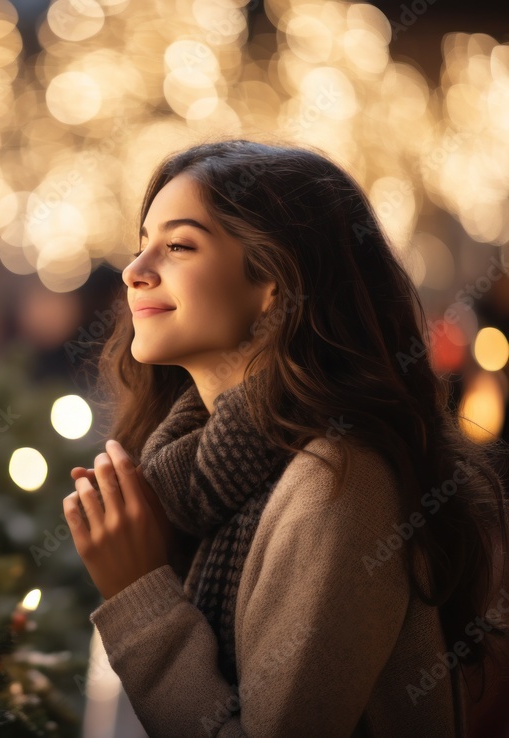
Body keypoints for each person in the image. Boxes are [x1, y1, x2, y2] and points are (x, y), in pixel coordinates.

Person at [63, 139, 509, 737]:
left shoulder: (340, 483)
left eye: (177, 245)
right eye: (142, 243)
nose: (134, 271)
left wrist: (139, 594)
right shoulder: (189, 479)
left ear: (273, 282)